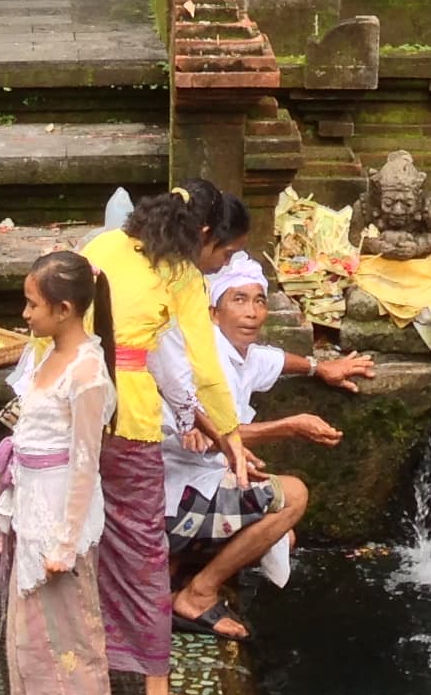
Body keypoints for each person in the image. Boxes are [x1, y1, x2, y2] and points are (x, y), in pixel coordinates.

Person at [80, 186, 255, 695]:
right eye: (224, 254)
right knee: (141, 551)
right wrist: (227, 432)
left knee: (79, 542)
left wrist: (202, 424)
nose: (220, 264)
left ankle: (78, 678)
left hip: (69, 411)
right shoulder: (180, 275)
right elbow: (202, 369)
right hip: (125, 419)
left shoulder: (102, 245)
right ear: (204, 235)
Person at [155, 255, 372, 639]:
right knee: (293, 497)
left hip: (195, 490)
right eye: (238, 300)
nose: (252, 312)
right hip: (172, 499)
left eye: (259, 301)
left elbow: (272, 360)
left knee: (280, 537)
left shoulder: (241, 353)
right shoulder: (205, 360)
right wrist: (289, 426)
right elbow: (213, 434)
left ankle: (179, 562)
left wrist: (319, 368)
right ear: (214, 312)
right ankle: (197, 594)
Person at [0, 250, 118, 695]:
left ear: (63, 308)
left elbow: (86, 461)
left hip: (61, 517)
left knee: (69, 633)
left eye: (32, 304)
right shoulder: (45, 354)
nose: (24, 313)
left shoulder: (86, 371)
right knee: (29, 627)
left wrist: (63, 540)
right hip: (31, 505)